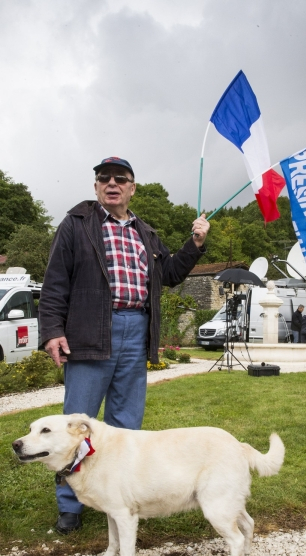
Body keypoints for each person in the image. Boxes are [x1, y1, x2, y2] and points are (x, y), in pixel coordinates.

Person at [39, 157, 210, 533]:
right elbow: (54, 282)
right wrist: (52, 330)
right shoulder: (77, 224)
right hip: (89, 330)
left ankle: (119, 498)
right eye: (104, 178)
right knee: (76, 424)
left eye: (121, 178)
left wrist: (195, 242)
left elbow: (170, 273)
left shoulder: (145, 233)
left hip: (136, 330)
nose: (111, 183)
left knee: (126, 427)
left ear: (132, 188)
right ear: (97, 186)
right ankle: (70, 505)